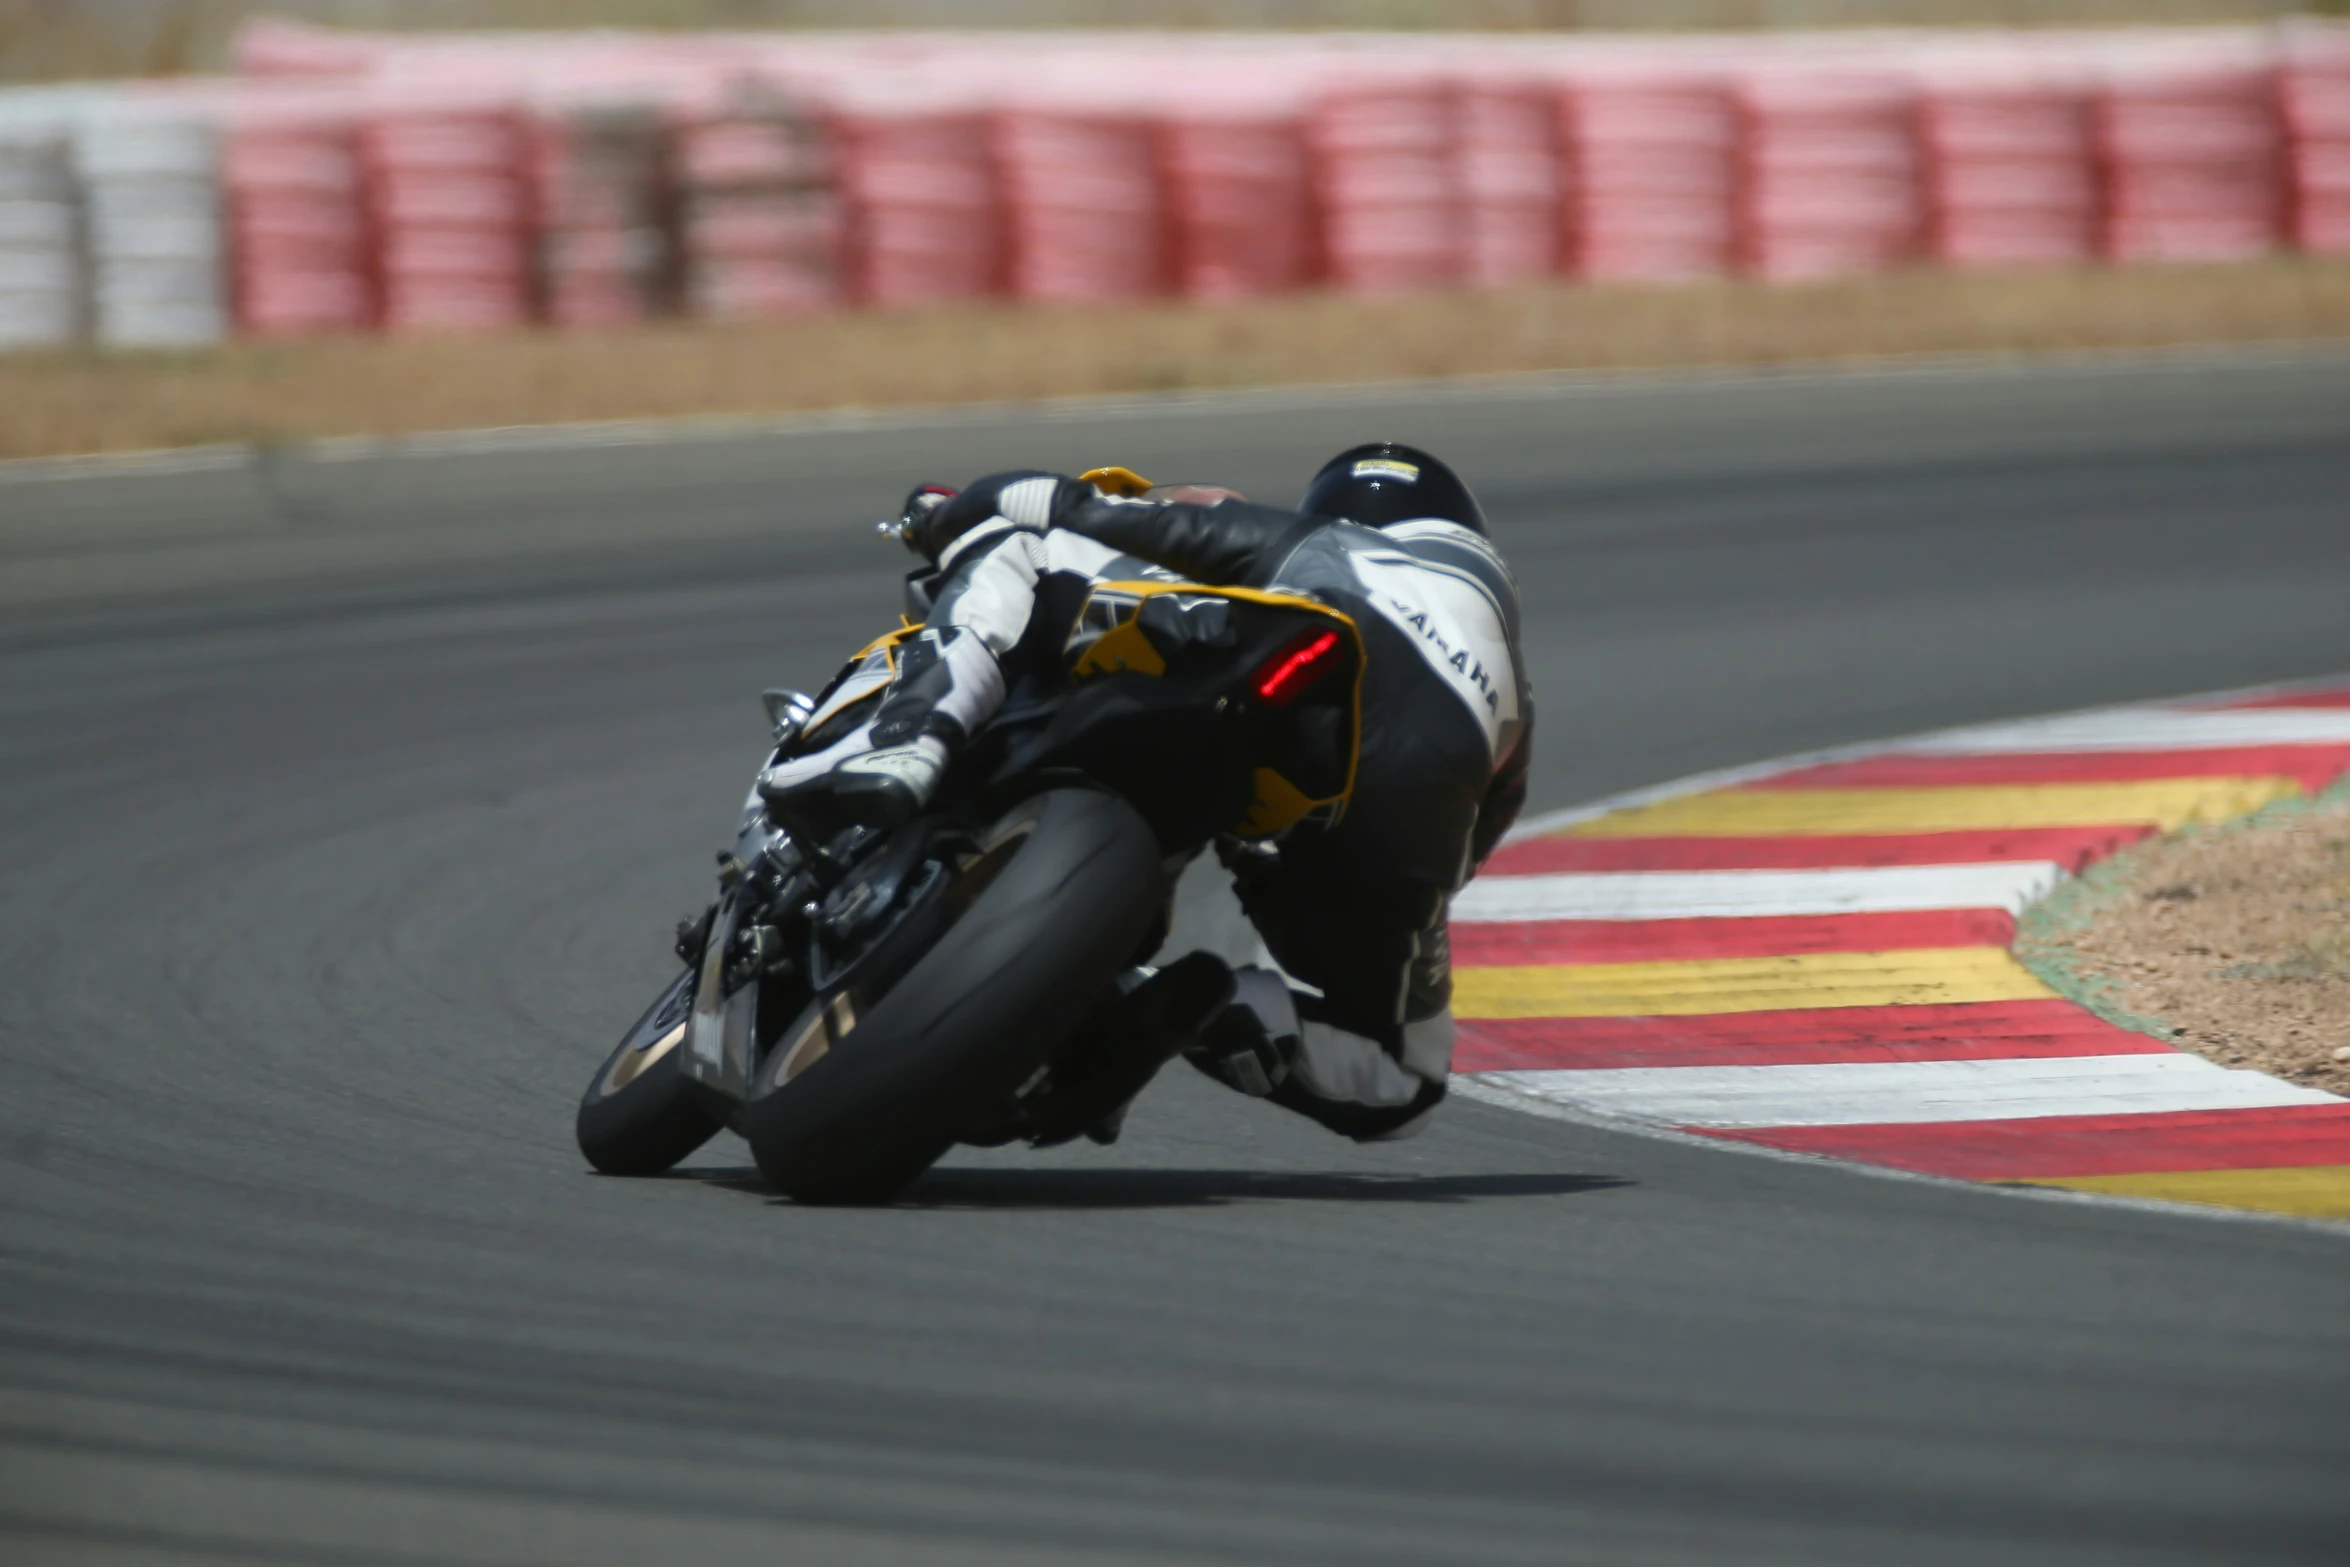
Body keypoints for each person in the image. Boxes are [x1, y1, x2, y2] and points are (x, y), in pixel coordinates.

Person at [760, 443, 1533, 1143]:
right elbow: (1471, 841)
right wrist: (1343, 888)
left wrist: (975, 507)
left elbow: (1151, 520)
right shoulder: (1510, 685)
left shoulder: (1330, 544)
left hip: (1291, 660)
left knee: (1019, 539)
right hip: (1414, 784)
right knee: (1408, 1078)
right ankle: (1186, 1010)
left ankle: (916, 729)